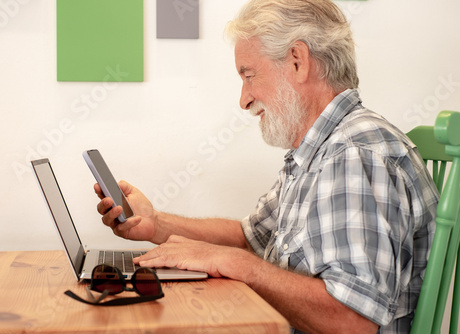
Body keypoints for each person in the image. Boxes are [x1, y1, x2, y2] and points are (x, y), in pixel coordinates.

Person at [95, 0, 438, 333]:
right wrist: (154, 224)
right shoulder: (319, 150)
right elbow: (249, 238)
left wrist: (241, 267)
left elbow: (351, 321)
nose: (243, 99)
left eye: (248, 74)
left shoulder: (353, 154)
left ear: (297, 61)